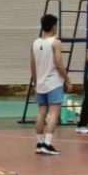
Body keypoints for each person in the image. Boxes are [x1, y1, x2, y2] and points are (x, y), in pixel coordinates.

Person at [29, 14, 70, 156]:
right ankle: (47, 144)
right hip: (53, 83)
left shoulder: (35, 43)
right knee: (54, 113)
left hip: (40, 83)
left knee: (41, 112)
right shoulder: (55, 42)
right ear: (53, 26)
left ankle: (39, 143)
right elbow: (59, 63)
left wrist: (36, 83)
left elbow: (32, 65)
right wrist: (67, 80)